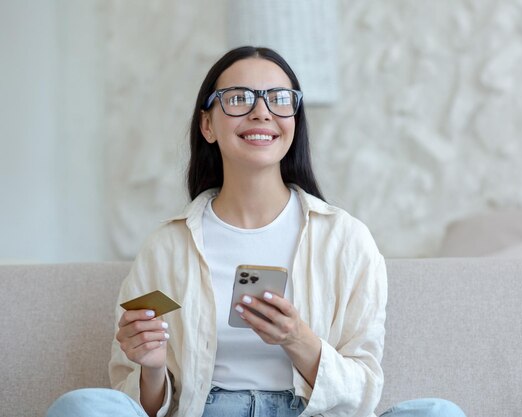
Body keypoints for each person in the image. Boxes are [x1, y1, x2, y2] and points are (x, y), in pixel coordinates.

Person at [46, 46, 466, 417]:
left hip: (308, 413)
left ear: (294, 122)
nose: (261, 111)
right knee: (80, 407)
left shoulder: (346, 240)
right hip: (204, 409)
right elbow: (141, 407)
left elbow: (363, 394)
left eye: (279, 100)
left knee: (438, 413)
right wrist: (152, 367)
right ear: (207, 125)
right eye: (238, 99)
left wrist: (298, 339)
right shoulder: (167, 247)